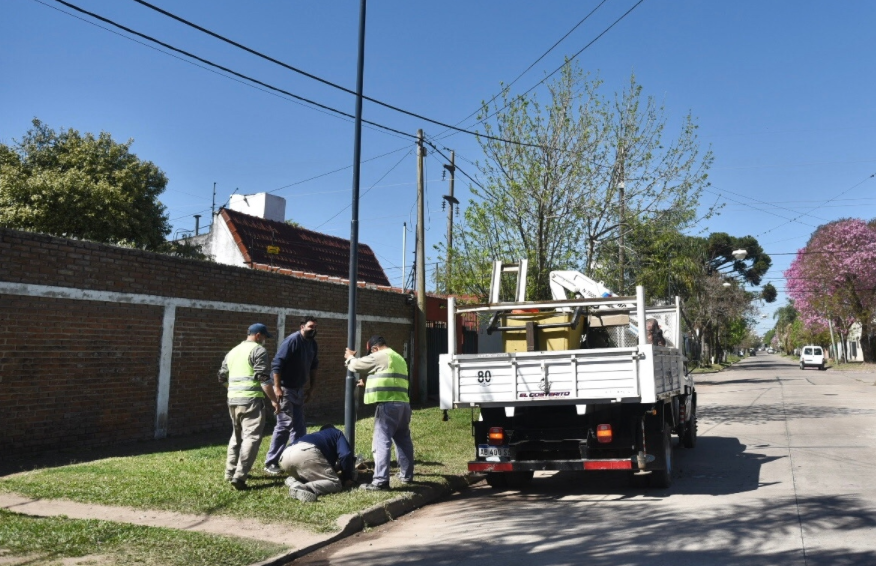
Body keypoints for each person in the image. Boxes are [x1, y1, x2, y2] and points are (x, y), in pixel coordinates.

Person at [344, 335, 414, 491]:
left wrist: (350, 357)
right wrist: (367, 384)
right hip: (403, 405)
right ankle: (406, 475)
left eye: (371, 353)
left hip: (388, 406)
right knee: (403, 441)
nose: (372, 356)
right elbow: (389, 379)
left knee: (381, 443)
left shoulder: (381, 355)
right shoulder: (397, 357)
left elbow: (356, 365)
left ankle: (381, 481)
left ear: (374, 348)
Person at [218, 323, 279, 490]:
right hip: (251, 401)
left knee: (236, 436)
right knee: (251, 437)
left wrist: (232, 389)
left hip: (233, 400)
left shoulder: (233, 351)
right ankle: (239, 476)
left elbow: (221, 377)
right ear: (258, 335)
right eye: (264, 337)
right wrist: (274, 400)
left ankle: (230, 472)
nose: (265, 340)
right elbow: (264, 379)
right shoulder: (259, 350)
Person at [263, 316, 319, 475]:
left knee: (299, 427)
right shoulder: (292, 341)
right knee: (284, 425)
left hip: (298, 389)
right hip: (285, 389)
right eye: (310, 326)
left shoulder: (312, 344)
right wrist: (277, 388)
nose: (313, 330)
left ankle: (296, 458)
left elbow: (314, 366)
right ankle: (271, 462)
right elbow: (277, 364)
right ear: (302, 327)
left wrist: (312, 388)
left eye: (315, 327)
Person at [279, 425, 356, 502]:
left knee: (314, 477)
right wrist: (347, 478)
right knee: (335, 483)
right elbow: (345, 454)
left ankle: (293, 481)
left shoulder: (316, 437)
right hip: (306, 452)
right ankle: (302, 488)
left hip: (285, 456)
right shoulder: (336, 433)